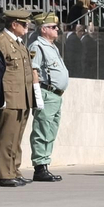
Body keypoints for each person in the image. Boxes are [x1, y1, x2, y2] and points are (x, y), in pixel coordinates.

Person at [0, 9, 33, 187]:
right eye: (23, 24)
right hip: (10, 95)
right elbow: (0, 70)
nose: (27, 28)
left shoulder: (18, 42)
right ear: (14, 24)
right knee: (7, 136)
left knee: (16, 137)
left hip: (22, 96)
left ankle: (14, 169)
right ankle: (4, 173)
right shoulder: (2, 41)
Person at [28, 13, 68, 182]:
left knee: (51, 130)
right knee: (42, 129)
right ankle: (39, 166)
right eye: (53, 27)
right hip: (46, 93)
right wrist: (37, 94)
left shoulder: (52, 46)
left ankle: (45, 162)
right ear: (43, 30)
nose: (57, 29)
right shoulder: (38, 46)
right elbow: (34, 70)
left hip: (56, 95)